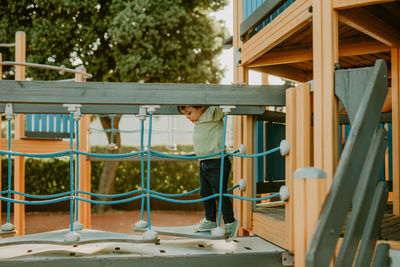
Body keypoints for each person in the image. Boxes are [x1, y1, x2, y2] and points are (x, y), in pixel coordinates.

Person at [178, 105, 239, 238]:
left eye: (189, 113)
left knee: (219, 193)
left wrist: (237, 86)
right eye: (185, 115)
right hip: (203, 162)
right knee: (205, 193)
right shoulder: (199, 119)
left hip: (217, 161)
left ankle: (230, 221)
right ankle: (210, 220)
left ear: (202, 107)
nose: (188, 117)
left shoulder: (212, 113)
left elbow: (222, 102)